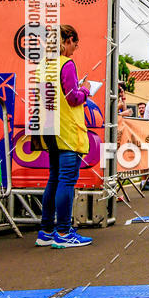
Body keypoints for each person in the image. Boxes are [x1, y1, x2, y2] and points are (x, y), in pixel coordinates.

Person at [35, 24, 93, 248]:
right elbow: (72, 98)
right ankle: (64, 232)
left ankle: (46, 230)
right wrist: (86, 89)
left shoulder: (43, 65)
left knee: (54, 178)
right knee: (66, 180)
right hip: (68, 130)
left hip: (49, 128)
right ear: (67, 40)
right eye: (75, 44)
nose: (75, 49)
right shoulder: (66, 64)